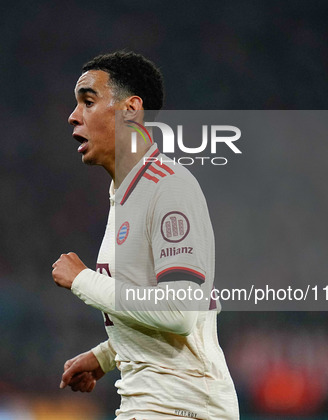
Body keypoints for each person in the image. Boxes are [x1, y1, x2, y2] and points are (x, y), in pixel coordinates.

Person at [52, 51, 239, 420]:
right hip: (153, 406)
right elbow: (157, 310)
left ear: (130, 110)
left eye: (88, 102)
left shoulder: (168, 188)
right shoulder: (126, 194)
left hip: (182, 409)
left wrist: (83, 280)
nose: (73, 116)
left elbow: (181, 309)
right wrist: (108, 354)